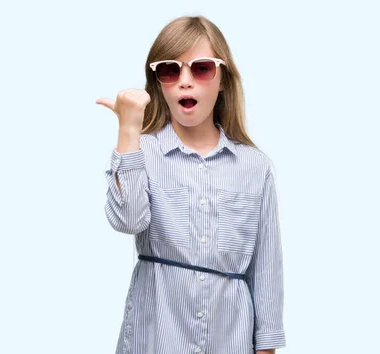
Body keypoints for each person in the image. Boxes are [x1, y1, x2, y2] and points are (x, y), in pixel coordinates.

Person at [96, 15, 286, 354]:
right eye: (170, 70)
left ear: (223, 79)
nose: (185, 81)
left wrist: (267, 345)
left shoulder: (255, 167)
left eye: (201, 69)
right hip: (155, 337)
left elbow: (267, 267)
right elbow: (128, 220)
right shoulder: (143, 152)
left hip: (231, 340)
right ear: (158, 83)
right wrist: (128, 130)